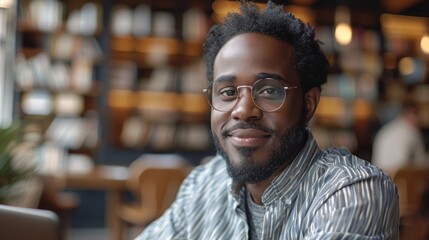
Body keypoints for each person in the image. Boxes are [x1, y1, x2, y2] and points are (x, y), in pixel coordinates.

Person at [135, 1, 399, 239]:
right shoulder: (203, 184)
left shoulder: (351, 192)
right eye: (227, 92)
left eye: (270, 90)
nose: (243, 110)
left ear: (308, 105)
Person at [372, 97, 428, 177]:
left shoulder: (388, 128)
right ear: (411, 113)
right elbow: (402, 168)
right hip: (397, 180)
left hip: (379, 180)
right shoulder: (411, 131)